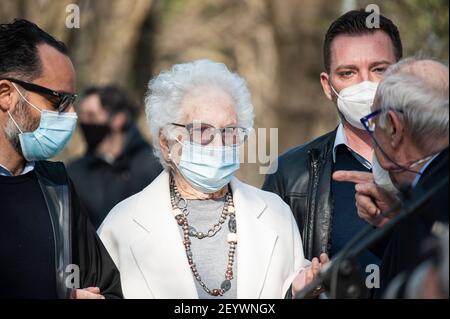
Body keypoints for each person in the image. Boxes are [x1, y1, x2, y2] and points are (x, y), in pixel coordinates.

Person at [98, 59, 329, 299]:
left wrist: (297, 292)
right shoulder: (122, 224)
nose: (219, 144)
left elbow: (288, 288)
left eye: (229, 131)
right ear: (167, 142)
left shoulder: (275, 213)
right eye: (201, 131)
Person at [262, 10, 403, 274]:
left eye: (379, 69)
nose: (365, 84)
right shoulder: (289, 175)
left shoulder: (439, 165)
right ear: (328, 87)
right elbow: (267, 280)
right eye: (348, 73)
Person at [0, 19, 122, 299]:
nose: (72, 115)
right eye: (59, 100)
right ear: (7, 94)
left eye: (72, 101)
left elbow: (107, 289)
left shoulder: (57, 189)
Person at [333, 57, 449, 296]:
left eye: (373, 123)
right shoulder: (426, 197)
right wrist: (401, 216)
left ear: (394, 129)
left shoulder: (433, 202)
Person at [68, 85, 162, 229]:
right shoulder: (75, 172)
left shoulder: (152, 165)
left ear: (119, 119)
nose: (85, 122)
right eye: (83, 115)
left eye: (92, 115)